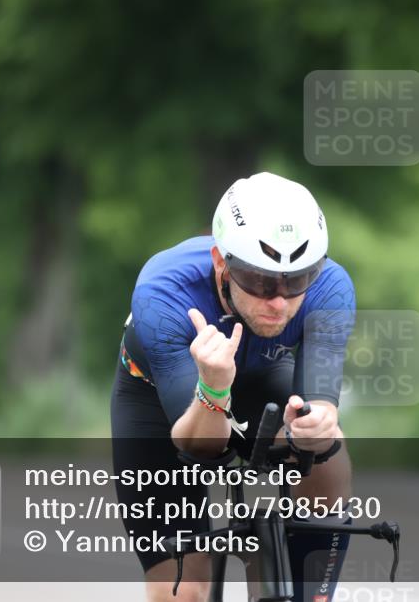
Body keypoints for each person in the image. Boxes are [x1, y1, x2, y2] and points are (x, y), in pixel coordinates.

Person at [111, 172, 356, 602]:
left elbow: (322, 405)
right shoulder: (161, 293)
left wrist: (314, 427)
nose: (278, 300)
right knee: (186, 591)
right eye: (260, 281)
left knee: (326, 443)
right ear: (221, 263)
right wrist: (213, 388)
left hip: (261, 377)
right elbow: (201, 447)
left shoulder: (330, 288)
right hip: (158, 400)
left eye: (297, 280)